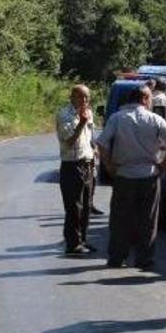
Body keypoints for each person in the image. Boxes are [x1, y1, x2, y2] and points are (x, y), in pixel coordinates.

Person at [95, 85, 166, 269]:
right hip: (149, 174)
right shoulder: (154, 118)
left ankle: (117, 258)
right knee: (148, 219)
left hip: (124, 174)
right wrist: (165, 163)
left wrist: (109, 165)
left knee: (120, 219)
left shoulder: (117, 118)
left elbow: (102, 142)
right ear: (144, 99)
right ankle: (144, 258)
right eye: (150, 98)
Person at [56, 84, 97, 255]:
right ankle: (73, 243)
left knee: (87, 205)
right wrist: (81, 123)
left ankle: (83, 239)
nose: (84, 100)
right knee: (74, 206)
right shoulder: (64, 114)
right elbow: (69, 141)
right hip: (72, 164)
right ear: (72, 97)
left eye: (87, 97)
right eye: (80, 96)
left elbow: (90, 138)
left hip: (87, 162)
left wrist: (95, 155)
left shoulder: (88, 112)